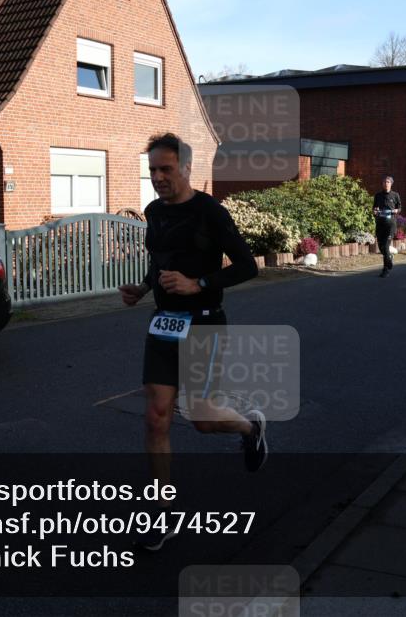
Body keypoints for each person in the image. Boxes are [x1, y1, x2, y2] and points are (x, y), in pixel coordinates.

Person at [118, 133, 264, 551]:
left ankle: (250, 427)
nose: (159, 178)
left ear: (185, 168)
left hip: (203, 323)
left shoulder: (210, 212)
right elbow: (160, 262)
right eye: (152, 171)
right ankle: (161, 512)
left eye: (166, 169)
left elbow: (247, 267)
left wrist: (198, 283)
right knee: (156, 416)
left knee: (199, 418)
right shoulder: (153, 212)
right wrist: (143, 288)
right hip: (164, 324)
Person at [372, 175, 402, 277]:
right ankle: (389, 257)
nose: (386, 183)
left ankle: (386, 269)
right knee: (381, 247)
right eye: (384, 182)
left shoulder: (395, 195)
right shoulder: (378, 195)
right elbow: (374, 209)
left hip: (390, 224)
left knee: (385, 245)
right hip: (380, 223)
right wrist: (375, 211)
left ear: (391, 183)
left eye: (388, 182)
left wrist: (396, 210)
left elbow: (399, 208)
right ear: (382, 184)